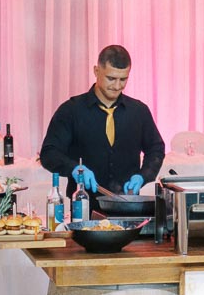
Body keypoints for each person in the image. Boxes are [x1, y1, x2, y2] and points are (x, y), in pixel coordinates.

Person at [39, 44, 166, 205]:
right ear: (96, 71)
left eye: (123, 79)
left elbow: (156, 149)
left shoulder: (139, 111)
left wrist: (143, 175)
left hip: (127, 206)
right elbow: (49, 153)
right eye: (111, 78)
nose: (117, 86)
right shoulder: (71, 110)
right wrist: (74, 169)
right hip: (83, 207)